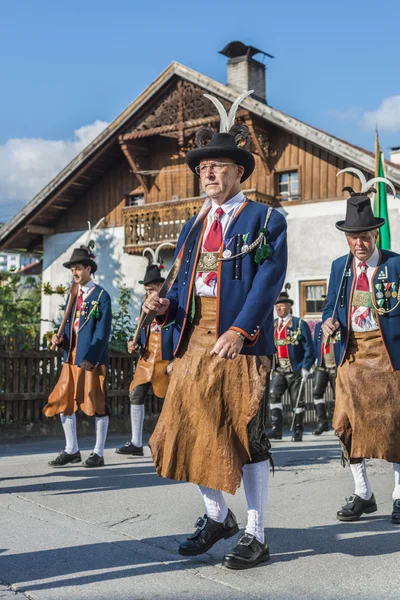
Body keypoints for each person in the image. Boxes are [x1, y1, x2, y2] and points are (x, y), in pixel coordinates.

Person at [143, 91, 288, 569]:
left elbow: (268, 282)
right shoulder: (192, 226)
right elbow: (184, 286)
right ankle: (216, 515)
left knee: (246, 438)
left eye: (218, 166)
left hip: (239, 345)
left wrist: (241, 330)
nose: (208, 173)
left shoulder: (266, 219)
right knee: (188, 428)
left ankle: (256, 533)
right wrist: (164, 306)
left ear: (239, 172)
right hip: (193, 342)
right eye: (203, 167)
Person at [322, 170, 400, 525]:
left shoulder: (396, 264)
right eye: (352, 238)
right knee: (345, 425)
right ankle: (364, 493)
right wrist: (328, 322)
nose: (358, 244)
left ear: (375, 234)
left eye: (364, 237)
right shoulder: (340, 268)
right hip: (350, 357)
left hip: (389, 358)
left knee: (395, 426)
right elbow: (328, 309)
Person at [44, 244, 112, 468]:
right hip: (70, 358)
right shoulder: (73, 294)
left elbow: (102, 333)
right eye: (72, 269)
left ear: (89, 269)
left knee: (96, 404)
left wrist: (90, 358)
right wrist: (60, 339)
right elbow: (68, 328)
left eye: (79, 268)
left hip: (91, 360)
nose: (74, 272)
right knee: (64, 401)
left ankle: (98, 453)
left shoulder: (102, 296)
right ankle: (71, 448)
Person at [116, 263, 173, 457]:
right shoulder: (145, 305)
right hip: (146, 358)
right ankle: (136, 442)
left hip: (165, 360)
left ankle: (169, 441)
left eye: (151, 289)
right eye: (146, 289)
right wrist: (135, 343)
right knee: (135, 394)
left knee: (169, 401)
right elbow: (142, 330)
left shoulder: (170, 303)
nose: (148, 292)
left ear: (161, 287)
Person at [266, 291, 314, 442]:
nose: (279, 309)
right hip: (279, 369)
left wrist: (306, 366)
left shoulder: (299, 324)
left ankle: (298, 430)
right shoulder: (273, 325)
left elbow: (309, 347)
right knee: (273, 395)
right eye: (277, 306)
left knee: (297, 401)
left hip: (296, 369)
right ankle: (276, 428)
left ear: (288, 307)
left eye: (281, 306)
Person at [312, 296, 340, 435]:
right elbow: (315, 345)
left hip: (335, 365)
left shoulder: (339, 325)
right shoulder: (318, 326)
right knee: (317, 392)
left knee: (338, 395)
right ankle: (322, 422)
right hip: (321, 364)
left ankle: (338, 423)